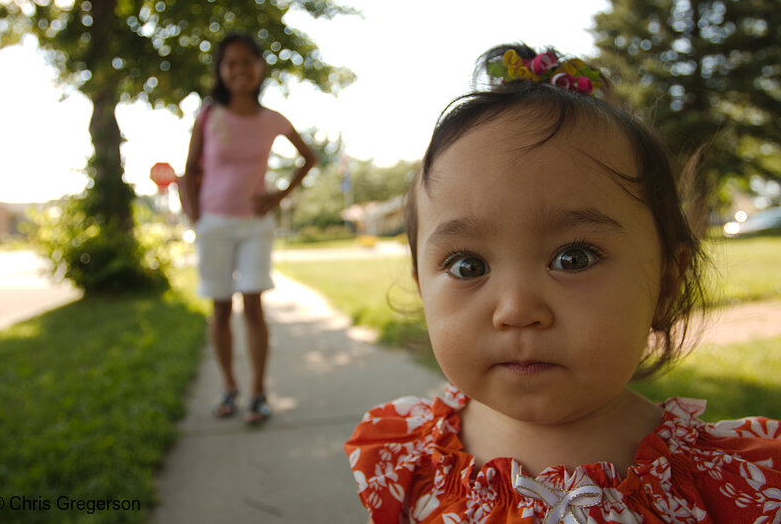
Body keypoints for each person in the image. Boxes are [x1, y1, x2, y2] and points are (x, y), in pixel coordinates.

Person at [344, 43, 781, 523]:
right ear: (421, 286)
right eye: (468, 266)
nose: (515, 309)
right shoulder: (412, 461)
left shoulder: (729, 483)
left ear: (665, 283)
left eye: (573, 258)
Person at [182, 32, 317, 424]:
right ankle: (229, 388)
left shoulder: (273, 120)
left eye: (247, 62)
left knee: (254, 306)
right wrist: (196, 217)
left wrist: (279, 195)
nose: (239, 69)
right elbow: (189, 171)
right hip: (214, 225)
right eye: (230, 63)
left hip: (255, 226)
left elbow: (308, 157)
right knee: (221, 308)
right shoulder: (208, 114)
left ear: (260, 67)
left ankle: (258, 393)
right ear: (221, 71)